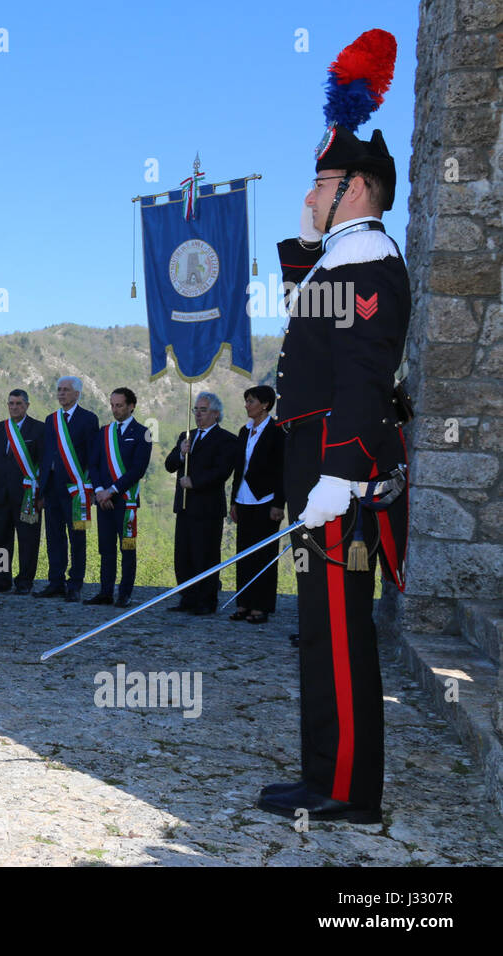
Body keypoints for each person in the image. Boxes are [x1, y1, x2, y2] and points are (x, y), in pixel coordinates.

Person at [255, 101, 409, 824]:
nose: (309, 198)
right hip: (315, 463)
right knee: (320, 627)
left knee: (341, 633)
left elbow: (363, 383)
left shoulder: (369, 261)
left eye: (321, 186)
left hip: (332, 470)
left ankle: (347, 787)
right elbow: (304, 299)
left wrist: (340, 478)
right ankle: (325, 773)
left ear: (356, 188)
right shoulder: (341, 260)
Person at [163, 392, 238, 615]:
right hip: (184, 507)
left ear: (216, 413)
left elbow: (221, 472)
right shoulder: (186, 436)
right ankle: (188, 596)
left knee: (205, 554)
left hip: (207, 508)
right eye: (195, 409)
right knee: (183, 554)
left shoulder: (227, 440)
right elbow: (169, 464)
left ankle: (207, 600)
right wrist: (181, 454)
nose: (197, 414)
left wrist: (194, 482)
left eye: (203, 410)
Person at [84, 388, 152, 609]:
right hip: (103, 499)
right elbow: (93, 465)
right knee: (106, 548)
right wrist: (100, 491)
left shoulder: (144, 432)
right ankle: (105, 591)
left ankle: (125, 593)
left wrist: (111, 490)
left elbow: (137, 470)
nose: (115, 409)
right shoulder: (104, 432)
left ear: (131, 405)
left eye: (119, 405)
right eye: (112, 405)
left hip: (126, 500)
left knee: (127, 548)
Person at [36, 378, 99, 602]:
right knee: (54, 537)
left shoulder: (88, 419)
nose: (61, 394)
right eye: (59, 390)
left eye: (66, 390)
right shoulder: (51, 419)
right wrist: (41, 490)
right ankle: (55, 582)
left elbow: (93, 455)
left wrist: (90, 488)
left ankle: (75, 584)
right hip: (52, 487)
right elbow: (46, 456)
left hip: (76, 489)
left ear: (77, 394)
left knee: (77, 537)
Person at [229, 386, 286, 625]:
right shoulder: (244, 431)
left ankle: (261, 606)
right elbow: (238, 468)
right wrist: (232, 500)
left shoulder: (277, 432)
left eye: (250, 401)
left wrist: (278, 503)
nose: (246, 405)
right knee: (243, 553)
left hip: (265, 499)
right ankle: (243, 602)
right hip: (243, 498)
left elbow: (283, 469)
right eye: (246, 400)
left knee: (263, 554)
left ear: (264, 404)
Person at [0, 389, 44, 595]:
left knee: (28, 541)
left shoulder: (39, 429)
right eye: (11, 403)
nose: (14, 407)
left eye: (19, 404)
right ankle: (1, 579)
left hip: (28, 496)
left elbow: (45, 463)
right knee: (1, 540)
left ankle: (24, 581)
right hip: (2, 496)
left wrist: (42, 495)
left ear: (27, 406)